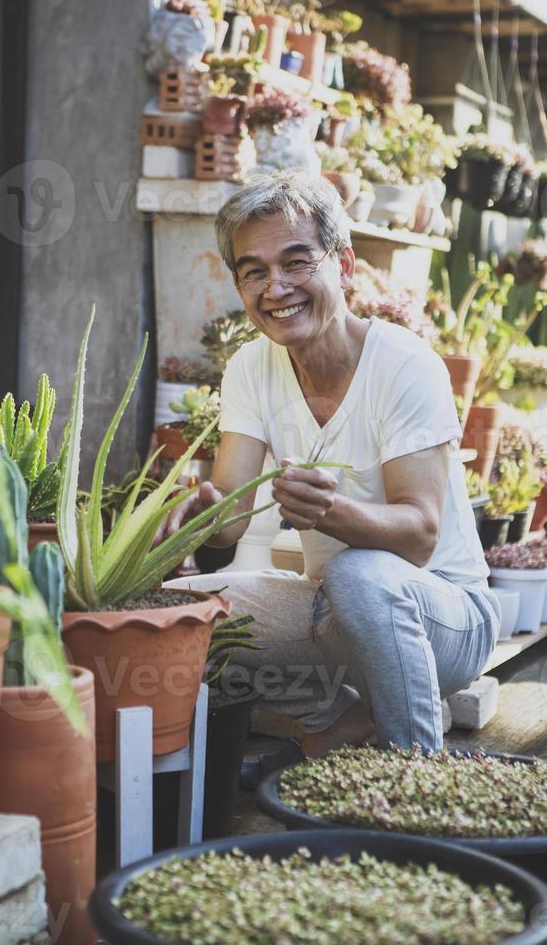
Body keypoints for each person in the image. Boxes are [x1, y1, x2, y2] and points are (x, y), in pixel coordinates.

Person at [159, 169, 499, 757]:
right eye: (254, 272)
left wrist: (330, 512)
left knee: (356, 573)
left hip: (446, 615)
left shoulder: (405, 364)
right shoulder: (250, 367)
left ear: (342, 265)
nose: (276, 287)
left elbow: (419, 536)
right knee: (179, 618)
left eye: (297, 262)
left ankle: (416, 772)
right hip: (332, 608)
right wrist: (197, 508)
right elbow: (232, 514)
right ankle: (353, 712)